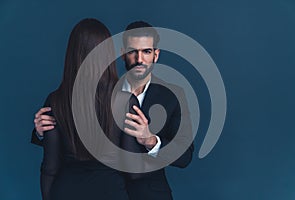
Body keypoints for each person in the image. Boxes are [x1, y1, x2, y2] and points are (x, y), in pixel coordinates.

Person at [33, 21, 194, 200]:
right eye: (132, 51)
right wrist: (42, 132)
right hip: (106, 189)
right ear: (122, 54)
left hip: (147, 194)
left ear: (156, 55)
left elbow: (184, 157)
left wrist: (151, 140)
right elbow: (71, 135)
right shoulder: (103, 93)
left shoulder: (173, 96)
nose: (139, 59)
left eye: (147, 51)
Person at [33, 18, 129, 200]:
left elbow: (50, 168)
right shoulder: (125, 101)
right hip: (111, 191)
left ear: (73, 54)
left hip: (66, 191)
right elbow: (134, 171)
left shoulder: (55, 101)